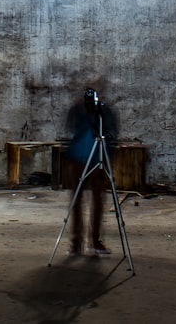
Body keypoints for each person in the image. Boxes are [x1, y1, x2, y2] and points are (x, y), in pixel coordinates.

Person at [63, 87, 118, 256]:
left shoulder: (105, 110)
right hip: (79, 158)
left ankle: (94, 241)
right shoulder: (77, 111)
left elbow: (111, 133)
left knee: (98, 200)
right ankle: (76, 243)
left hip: (98, 157)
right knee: (77, 200)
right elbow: (70, 128)